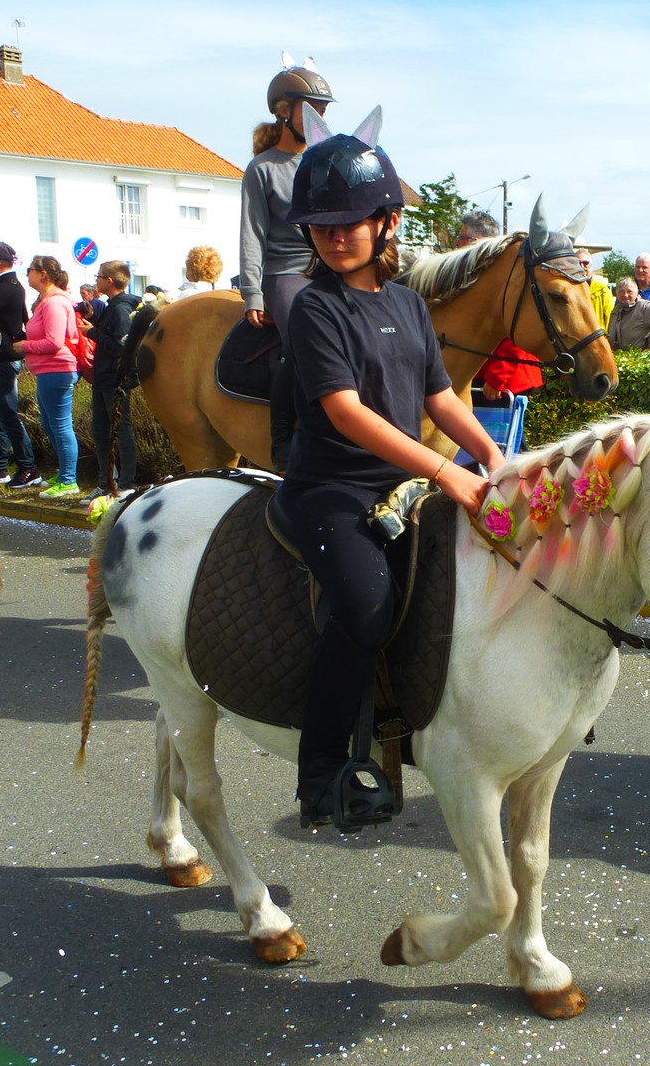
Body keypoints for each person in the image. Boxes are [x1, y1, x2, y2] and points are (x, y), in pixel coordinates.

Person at [275, 114, 502, 829]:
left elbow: (440, 397)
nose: (334, 237)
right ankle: (322, 773)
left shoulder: (408, 303)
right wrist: (445, 471)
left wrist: (495, 456)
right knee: (367, 603)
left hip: (399, 488)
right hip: (330, 490)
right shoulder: (315, 308)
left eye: (349, 223)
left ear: (387, 222)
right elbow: (345, 412)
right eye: (321, 226)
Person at [241, 61, 335, 469]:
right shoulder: (261, 169)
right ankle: (282, 439)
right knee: (304, 335)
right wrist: (252, 293)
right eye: (312, 109)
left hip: (328, 267)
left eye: (324, 110)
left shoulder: (326, 162)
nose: (320, 118)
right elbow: (252, 233)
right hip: (285, 272)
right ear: (283, 110)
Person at [456, 211, 543, 402]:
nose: (457, 243)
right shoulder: (478, 271)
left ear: (476, 241)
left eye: (461, 238)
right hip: (485, 375)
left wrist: (498, 377)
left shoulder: (504, 271)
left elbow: (520, 327)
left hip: (503, 380)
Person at [13, 256, 81, 499]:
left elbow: (54, 342)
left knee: (60, 426)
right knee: (50, 424)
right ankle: (64, 474)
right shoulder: (47, 301)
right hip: (48, 371)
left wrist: (25, 346)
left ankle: (69, 480)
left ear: (43, 274)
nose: (27, 274)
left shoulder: (54, 303)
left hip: (57, 369)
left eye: (30, 270)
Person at [0, 241, 39, 488]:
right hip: (0, 358)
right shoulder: (10, 286)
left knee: (8, 417)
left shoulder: (4, 289)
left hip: (3, 358)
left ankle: (28, 466)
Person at [82, 260, 142, 497]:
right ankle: (106, 482)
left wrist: (92, 332)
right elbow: (111, 334)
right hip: (103, 377)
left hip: (115, 379)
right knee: (100, 431)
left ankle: (127, 483)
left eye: (98, 276)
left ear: (109, 280)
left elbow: (121, 346)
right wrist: (94, 322)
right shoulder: (111, 306)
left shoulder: (120, 309)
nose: (95, 280)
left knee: (120, 431)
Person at [607, 278, 650, 352]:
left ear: (637, 293)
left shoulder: (643, 307)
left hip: (640, 355)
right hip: (620, 355)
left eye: (629, 291)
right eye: (621, 291)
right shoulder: (617, 309)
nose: (625, 295)